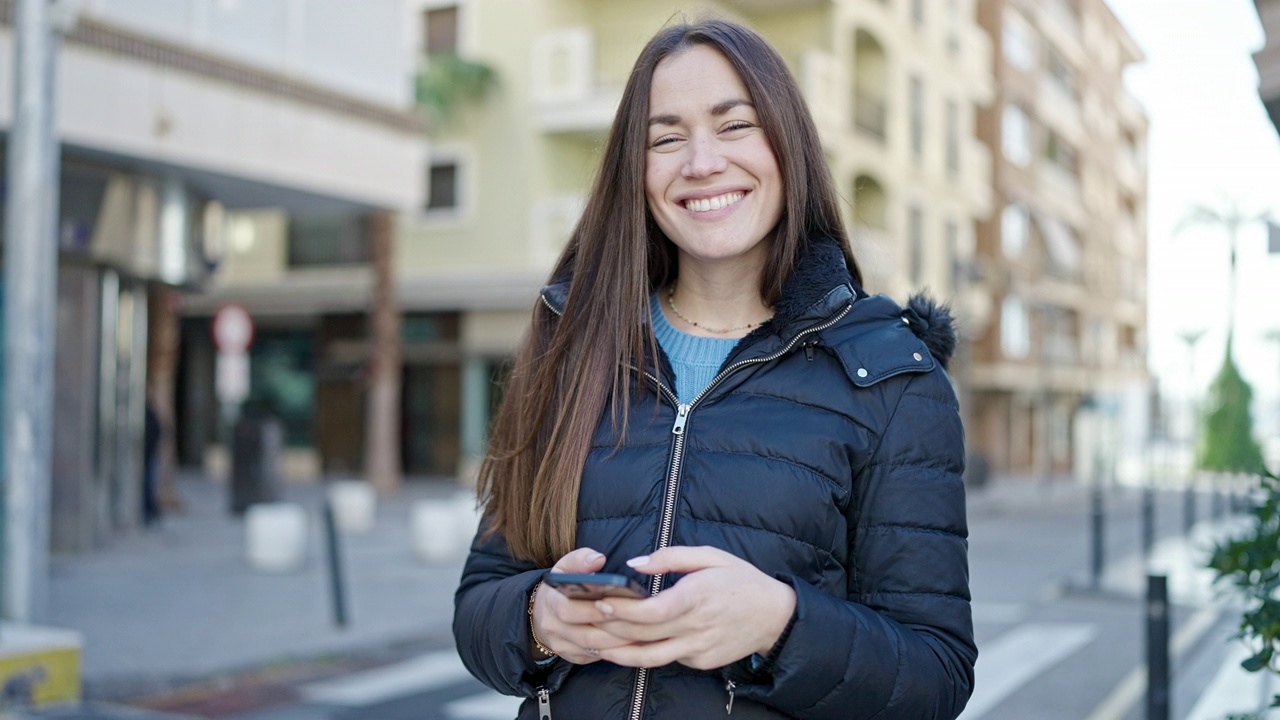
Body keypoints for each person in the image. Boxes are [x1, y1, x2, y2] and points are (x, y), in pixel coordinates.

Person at [454, 17, 976, 720]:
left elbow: (935, 678)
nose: (701, 163)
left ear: (786, 146)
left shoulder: (888, 379)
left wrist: (780, 624)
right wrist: (537, 619)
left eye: (735, 126)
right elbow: (479, 604)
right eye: (666, 138)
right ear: (634, 172)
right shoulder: (572, 349)